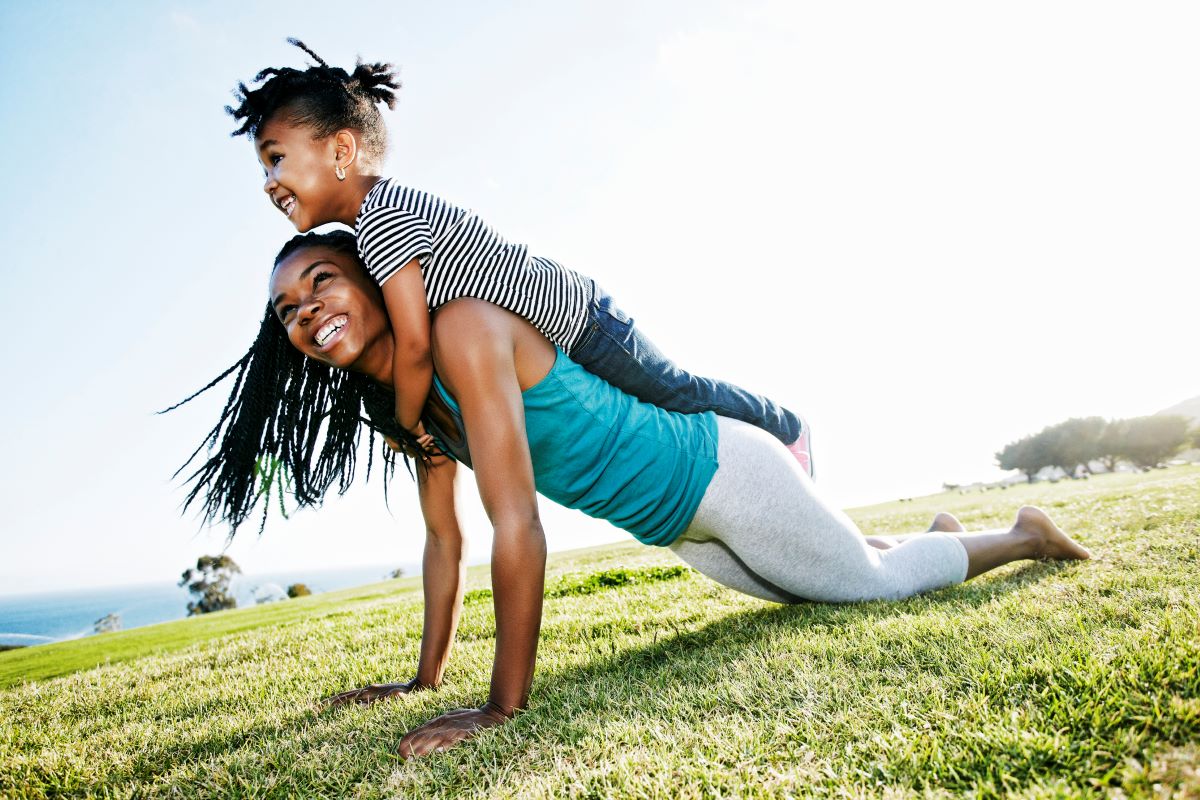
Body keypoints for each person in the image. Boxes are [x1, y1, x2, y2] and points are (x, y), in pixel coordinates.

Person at [171, 231, 1092, 759]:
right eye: (288, 308)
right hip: (681, 527)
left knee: (863, 591)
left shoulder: (458, 329)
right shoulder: (402, 402)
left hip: (719, 472)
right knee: (811, 586)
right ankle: (935, 536)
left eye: (320, 280)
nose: (306, 311)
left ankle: (1019, 533)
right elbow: (445, 541)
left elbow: (516, 521)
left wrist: (501, 707)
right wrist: (423, 678)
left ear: (374, 277)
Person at [225, 39, 814, 474]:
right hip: (557, 334)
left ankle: (785, 429)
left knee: (675, 393)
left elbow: (414, 345)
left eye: (275, 158)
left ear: (341, 150)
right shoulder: (377, 217)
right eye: (263, 167)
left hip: (582, 321)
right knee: (662, 411)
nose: (268, 182)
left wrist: (406, 424)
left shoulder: (380, 220)